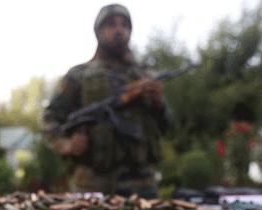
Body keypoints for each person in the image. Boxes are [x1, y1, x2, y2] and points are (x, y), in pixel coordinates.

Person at [41, 4, 172, 199]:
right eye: (111, 24)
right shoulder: (79, 76)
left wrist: (159, 103)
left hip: (142, 184)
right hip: (93, 181)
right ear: (98, 31)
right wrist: (66, 144)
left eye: (125, 25)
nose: (119, 30)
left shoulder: (145, 76)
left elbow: (166, 125)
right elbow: (49, 118)